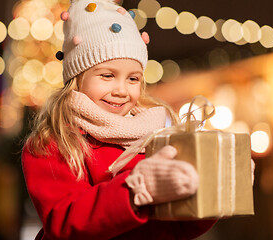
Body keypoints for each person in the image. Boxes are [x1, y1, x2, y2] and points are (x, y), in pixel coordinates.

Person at [22, 0, 216, 239]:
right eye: (107, 76)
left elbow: (173, 228)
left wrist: (213, 186)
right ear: (76, 77)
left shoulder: (154, 137)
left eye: (133, 79)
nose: (122, 90)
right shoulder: (53, 143)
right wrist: (135, 189)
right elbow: (65, 222)